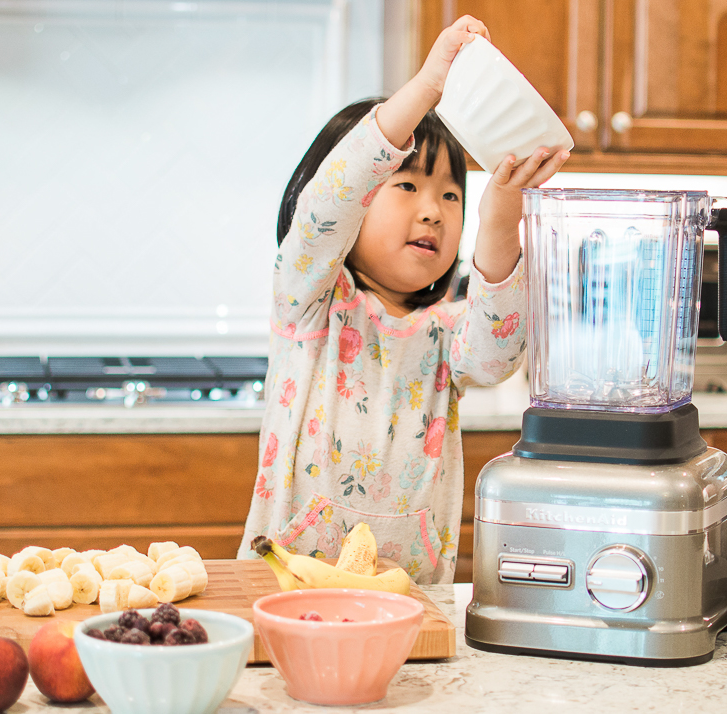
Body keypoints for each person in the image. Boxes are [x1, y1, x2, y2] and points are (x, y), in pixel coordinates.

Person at [238, 16, 571, 584]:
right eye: (407, 184)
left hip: (411, 597)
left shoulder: (445, 333)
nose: (432, 210)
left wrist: (500, 217)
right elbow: (326, 209)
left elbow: (497, 355)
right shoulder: (313, 303)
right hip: (287, 584)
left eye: (450, 194)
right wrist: (425, 90)